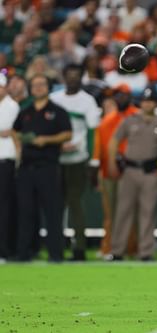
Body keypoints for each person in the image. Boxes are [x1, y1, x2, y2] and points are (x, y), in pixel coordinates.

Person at [108, 84, 157, 261]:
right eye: (145, 101)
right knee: (123, 211)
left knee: (148, 212)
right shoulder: (130, 121)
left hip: (151, 173)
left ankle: (145, 252)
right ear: (141, 103)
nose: (148, 104)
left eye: (151, 101)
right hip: (129, 170)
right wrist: (112, 163)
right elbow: (114, 141)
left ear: (156, 103)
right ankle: (117, 251)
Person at [12, 74, 72, 262]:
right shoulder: (25, 111)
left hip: (48, 166)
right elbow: (15, 130)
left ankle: (56, 254)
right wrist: (20, 145)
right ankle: (25, 253)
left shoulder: (58, 111)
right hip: (27, 167)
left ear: (48, 87)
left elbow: (67, 134)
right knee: (26, 211)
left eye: (41, 84)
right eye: (35, 85)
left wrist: (47, 140)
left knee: (52, 212)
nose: (38, 88)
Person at [50, 63, 100, 261]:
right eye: (69, 75)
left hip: (78, 159)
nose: (73, 79)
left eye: (76, 75)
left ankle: (79, 248)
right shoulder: (55, 99)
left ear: (81, 77)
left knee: (76, 204)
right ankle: (57, 247)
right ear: (63, 76)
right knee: (55, 205)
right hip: (56, 158)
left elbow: (92, 133)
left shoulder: (87, 101)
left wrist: (92, 160)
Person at [92, 84, 138, 258]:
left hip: (132, 169)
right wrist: (100, 172)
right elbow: (99, 151)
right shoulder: (107, 122)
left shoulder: (137, 116)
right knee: (111, 213)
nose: (117, 98)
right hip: (109, 172)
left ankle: (132, 248)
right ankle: (109, 247)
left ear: (128, 96)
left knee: (131, 212)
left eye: (121, 95)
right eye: (115, 95)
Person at [0, 73, 20, 260]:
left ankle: (4, 249)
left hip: (6, 161)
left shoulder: (12, 106)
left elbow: (7, 128)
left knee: (4, 208)